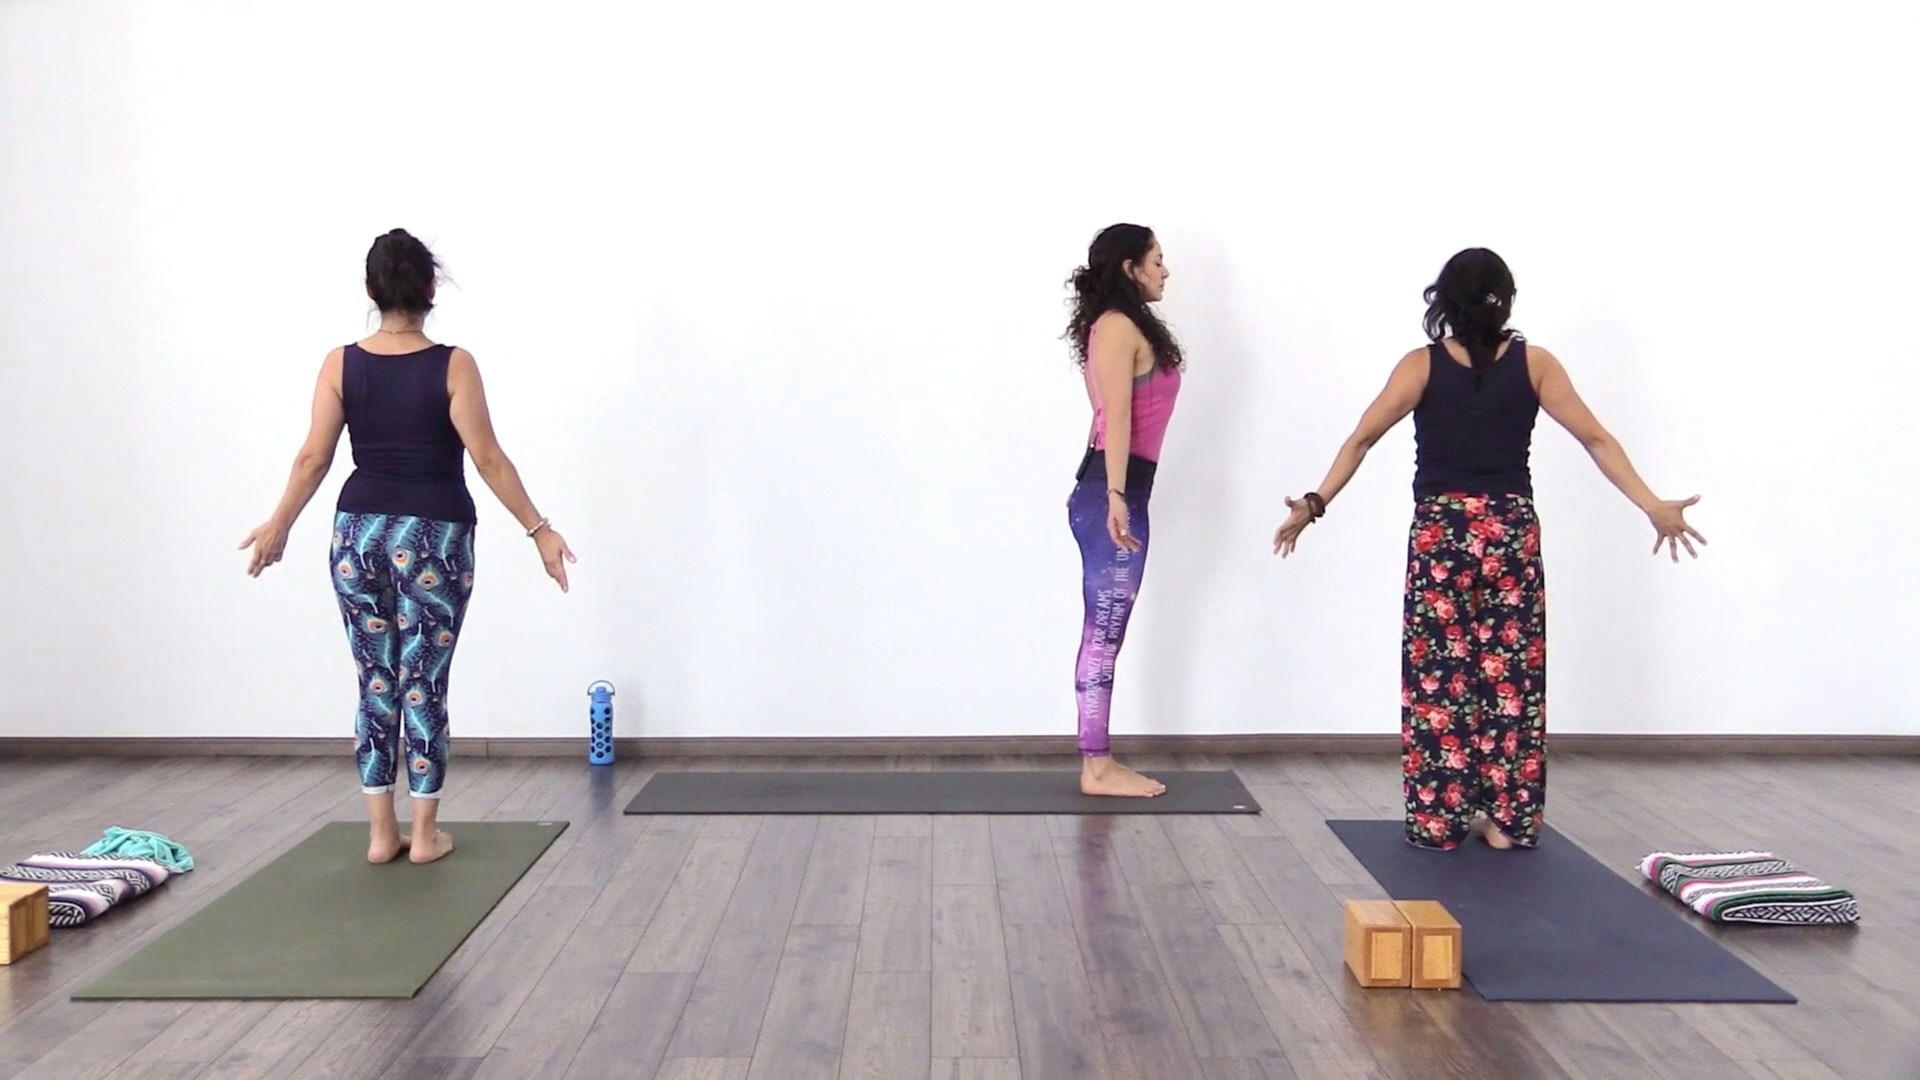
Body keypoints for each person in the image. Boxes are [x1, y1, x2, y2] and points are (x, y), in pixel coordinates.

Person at [1271, 248, 1705, 850]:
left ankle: (1440, 821)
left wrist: (1315, 504)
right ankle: (1507, 822)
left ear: (1444, 300)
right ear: (1506, 299)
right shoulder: (1536, 364)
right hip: (1510, 531)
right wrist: (1651, 504)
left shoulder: (1420, 366)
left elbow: (1362, 439)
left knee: (1439, 676)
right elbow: (1596, 439)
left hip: (1442, 534)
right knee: (1512, 678)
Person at [238, 228, 576, 864]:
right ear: (430, 288)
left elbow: (313, 458)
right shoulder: (454, 364)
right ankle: (423, 835)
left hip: (358, 535)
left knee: (375, 679)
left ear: (371, 291)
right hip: (434, 537)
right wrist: (540, 529)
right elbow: (487, 457)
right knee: (424, 680)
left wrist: (278, 523)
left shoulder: (340, 364)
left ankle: (379, 834)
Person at [1062, 224, 1183, 797]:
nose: (1165, 270)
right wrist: (1112, 497)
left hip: (1123, 492)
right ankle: (1097, 767)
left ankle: (1099, 762)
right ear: (1131, 268)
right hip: (1113, 497)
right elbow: (1113, 418)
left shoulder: (1125, 326)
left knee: (1108, 629)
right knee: (1104, 632)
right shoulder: (1116, 327)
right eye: (1156, 260)